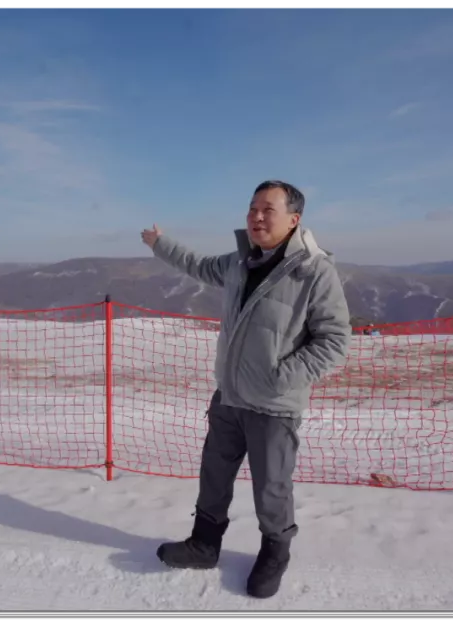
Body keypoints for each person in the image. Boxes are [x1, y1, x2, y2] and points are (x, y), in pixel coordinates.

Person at [139, 180, 352, 599]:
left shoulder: (313, 271)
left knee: (271, 487)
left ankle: (275, 554)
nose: (256, 216)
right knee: (214, 475)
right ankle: (204, 544)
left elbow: (334, 342)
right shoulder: (240, 261)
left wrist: (281, 377)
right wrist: (161, 245)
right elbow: (198, 265)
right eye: (252, 208)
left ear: (294, 220)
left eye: (267, 209)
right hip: (230, 397)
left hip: (274, 405)